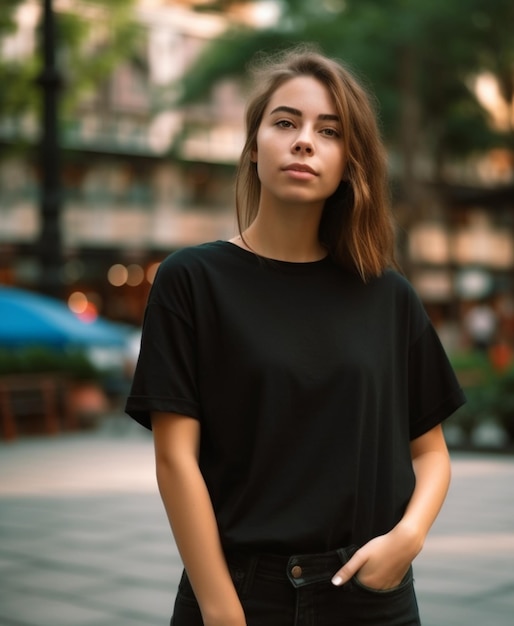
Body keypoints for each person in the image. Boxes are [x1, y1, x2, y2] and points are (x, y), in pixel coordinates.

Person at [126, 46, 465, 626]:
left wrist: (407, 539)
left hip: (370, 595)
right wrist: (221, 610)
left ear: (348, 162)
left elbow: (430, 452)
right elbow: (174, 458)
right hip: (237, 591)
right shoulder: (192, 280)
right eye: (285, 122)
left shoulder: (386, 295)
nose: (304, 140)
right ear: (254, 145)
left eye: (328, 131)